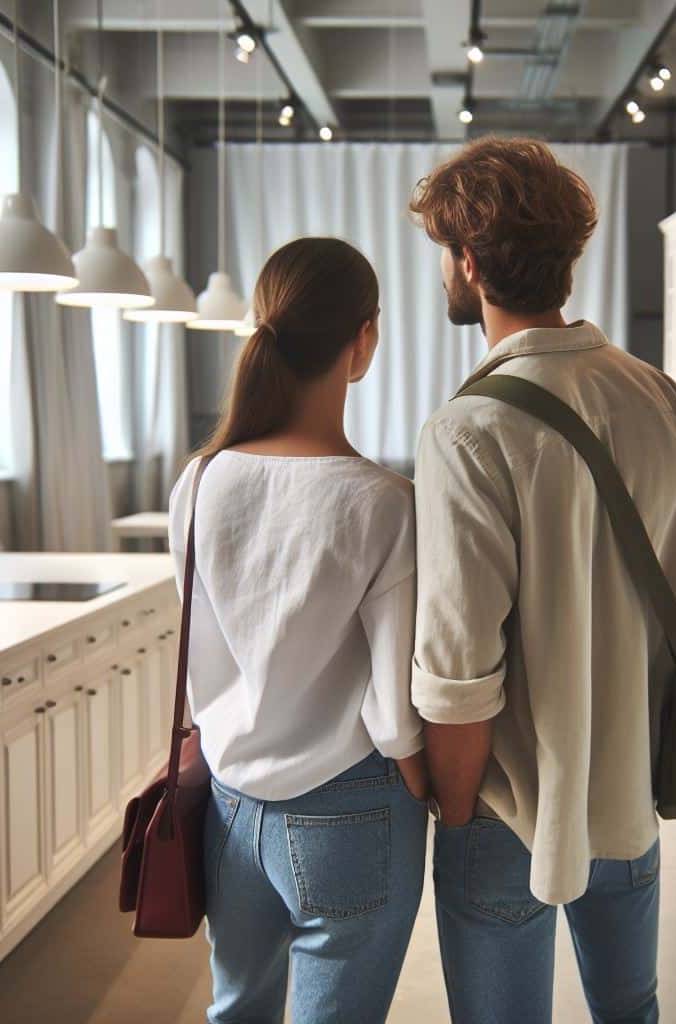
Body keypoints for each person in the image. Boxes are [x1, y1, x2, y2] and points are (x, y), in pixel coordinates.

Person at [408, 137, 676, 1023]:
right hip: (631, 795)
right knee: (631, 1011)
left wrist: (459, 813)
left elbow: (459, 675)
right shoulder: (661, 397)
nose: (445, 270)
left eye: (445, 253)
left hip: (511, 809)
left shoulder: (468, 430)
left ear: (470, 263)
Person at [168, 237, 429, 1024]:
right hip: (348, 804)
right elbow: (393, 711)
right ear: (364, 340)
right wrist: (429, 797)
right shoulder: (383, 501)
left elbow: (201, 651)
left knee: (237, 1010)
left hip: (229, 800)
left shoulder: (202, 478)